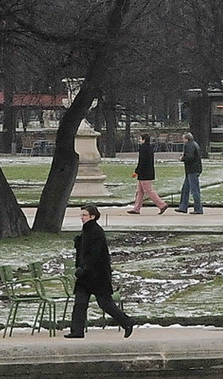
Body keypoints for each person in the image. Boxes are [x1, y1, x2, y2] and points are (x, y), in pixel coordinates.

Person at [68, 205, 134, 339]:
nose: (82, 218)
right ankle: (77, 331)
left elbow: (95, 255)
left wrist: (83, 268)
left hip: (98, 277)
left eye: (84, 215)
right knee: (79, 303)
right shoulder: (86, 231)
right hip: (85, 276)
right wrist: (79, 244)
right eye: (81, 215)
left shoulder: (96, 232)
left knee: (105, 304)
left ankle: (127, 322)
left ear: (93, 217)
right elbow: (84, 253)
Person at [125, 133, 169, 215]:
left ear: (144, 140)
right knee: (139, 191)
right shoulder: (149, 148)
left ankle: (162, 204)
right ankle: (136, 208)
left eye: (140, 139)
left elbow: (142, 161)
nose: (139, 140)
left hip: (144, 173)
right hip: (147, 172)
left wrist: (136, 171)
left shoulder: (143, 148)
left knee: (148, 191)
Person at [177, 131, 204, 214]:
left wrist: (182, 158)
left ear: (187, 139)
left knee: (194, 190)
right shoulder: (194, 144)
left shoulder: (189, 145)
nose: (183, 140)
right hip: (192, 170)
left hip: (192, 170)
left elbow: (190, 157)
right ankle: (183, 207)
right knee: (185, 189)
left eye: (183, 139)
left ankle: (198, 208)